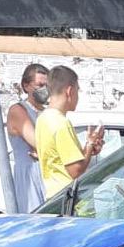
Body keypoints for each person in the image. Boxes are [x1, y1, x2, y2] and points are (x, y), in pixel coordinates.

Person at [34, 65, 104, 198]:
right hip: (70, 200)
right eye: (78, 90)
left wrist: (88, 150)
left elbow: (61, 161)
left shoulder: (42, 119)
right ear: (70, 91)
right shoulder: (61, 124)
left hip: (53, 196)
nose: (78, 96)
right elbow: (75, 171)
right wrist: (90, 144)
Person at [5, 63, 49, 212]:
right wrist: (46, 150)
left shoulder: (47, 111)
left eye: (47, 85)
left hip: (48, 172)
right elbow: (38, 142)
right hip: (30, 174)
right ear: (26, 86)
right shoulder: (18, 110)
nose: (44, 90)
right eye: (40, 85)